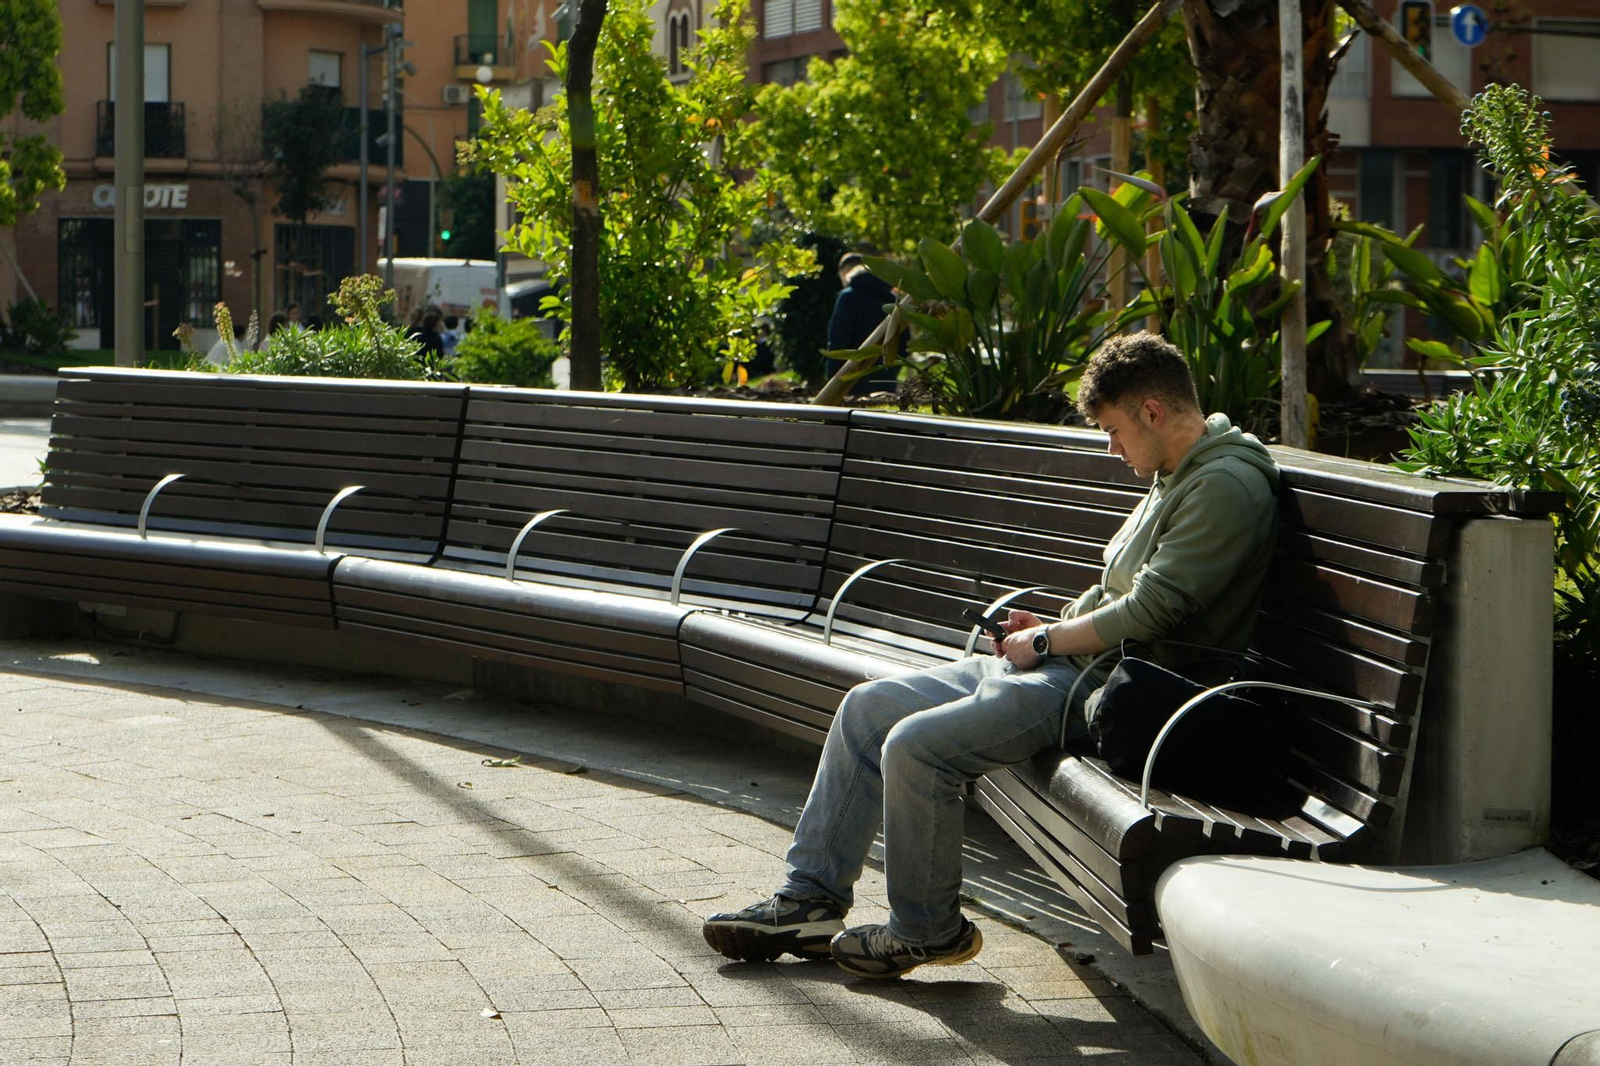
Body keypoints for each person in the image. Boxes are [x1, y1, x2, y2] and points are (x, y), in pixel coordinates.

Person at [701, 331, 1281, 978]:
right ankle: (809, 900)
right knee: (866, 710)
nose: (1110, 446)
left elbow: (1151, 613)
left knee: (917, 747)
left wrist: (1044, 640)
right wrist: (1056, 625)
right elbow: (1124, 592)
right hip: (1079, 662)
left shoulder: (1224, 486)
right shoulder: (1177, 470)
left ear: (1151, 411)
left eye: (1114, 429)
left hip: (1117, 690)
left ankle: (927, 931)